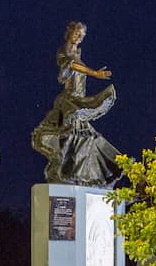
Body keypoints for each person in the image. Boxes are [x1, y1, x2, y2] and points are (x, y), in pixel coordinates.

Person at [31, 20, 121, 188]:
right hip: (69, 101)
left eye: (82, 36)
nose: (79, 38)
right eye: (77, 34)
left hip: (79, 99)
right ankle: (66, 172)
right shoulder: (64, 52)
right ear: (69, 33)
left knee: (87, 137)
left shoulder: (77, 54)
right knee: (75, 136)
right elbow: (71, 65)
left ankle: (98, 174)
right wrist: (94, 73)